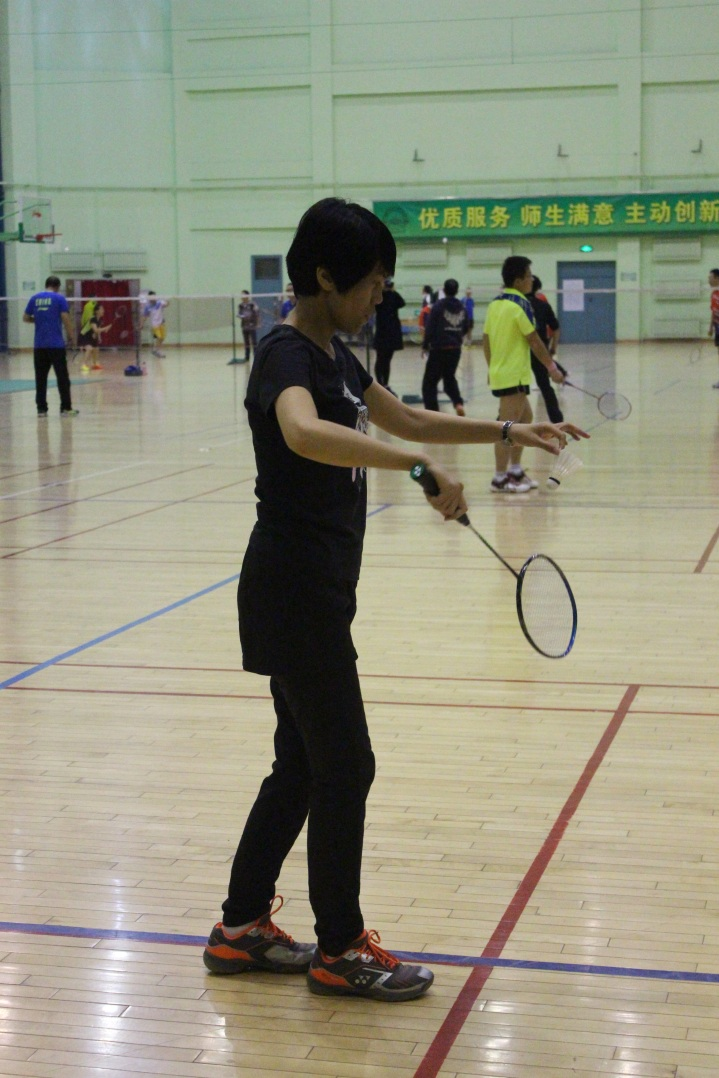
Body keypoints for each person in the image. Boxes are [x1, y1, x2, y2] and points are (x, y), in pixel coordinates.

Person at [201, 198, 587, 1002]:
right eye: (373, 282)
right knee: (345, 764)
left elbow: (406, 415)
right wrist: (413, 469)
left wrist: (507, 433)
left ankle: (240, 928)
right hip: (292, 591)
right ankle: (340, 949)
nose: (382, 296)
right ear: (324, 276)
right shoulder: (284, 354)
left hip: (314, 590)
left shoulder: (336, 357)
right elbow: (303, 432)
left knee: (301, 764)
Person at [483, 256, 564, 493]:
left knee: (525, 419)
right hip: (513, 376)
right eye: (528, 276)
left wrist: (491, 367)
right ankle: (499, 478)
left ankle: (516, 471)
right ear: (518, 281)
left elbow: (486, 340)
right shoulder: (522, 304)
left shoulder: (495, 304)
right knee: (506, 429)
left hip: (504, 374)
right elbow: (534, 340)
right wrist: (552, 368)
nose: (531, 280)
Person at [23, 275, 77, 417]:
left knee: (40, 378)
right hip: (56, 345)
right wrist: (72, 337)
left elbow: (25, 318)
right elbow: (65, 318)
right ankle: (65, 408)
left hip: (39, 345)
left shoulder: (34, 298)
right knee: (62, 378)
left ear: (46, 285)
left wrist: (38, 320)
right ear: (57, 287)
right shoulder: (59, 299)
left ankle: (41, 410)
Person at [421, 277, 468, 415]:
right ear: (457, 291)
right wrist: (457, 337)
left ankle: (433, 414)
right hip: (455, 349)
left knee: (429, 384)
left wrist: (425, 345)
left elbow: (430, 326)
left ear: (444, 290)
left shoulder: (438, 306)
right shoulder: (461, 306)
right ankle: (458, 403)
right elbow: (466, 325)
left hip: (439, 349)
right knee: (449, 378)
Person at [528, 276, 567, 424]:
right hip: (540, 351)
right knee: (545, 387)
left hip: (520, 353)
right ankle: (558, 423)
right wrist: (552, 348)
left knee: (515, 391)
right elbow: (556, 328)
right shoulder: (543, 305)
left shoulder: (515, 306)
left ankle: (504, 424)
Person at [372, 277, 405, 393]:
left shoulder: (384, 296)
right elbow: (402, 302)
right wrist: (391, 291)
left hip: (385, 333)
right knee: (384, 360)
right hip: (388, 333)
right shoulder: (388, 296)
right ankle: (383, 383)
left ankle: (383, 383)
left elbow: (402, 303)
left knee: (383, 360)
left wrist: (386, 291)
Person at [78, 301, 111, 371]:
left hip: (92, 335)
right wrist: (105, 328)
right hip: (84, 335)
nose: (103, 311)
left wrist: (99, 337)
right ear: (96, 311)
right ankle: (84, 365)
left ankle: (95, 364)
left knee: (96, 349)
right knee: (89, 348)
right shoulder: (93, 319)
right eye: (101, 309)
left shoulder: (100, 320)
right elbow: (95, 330)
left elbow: (98, 330)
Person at [143, 291, 169, 357]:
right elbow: (145, 316)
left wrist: (167, 300)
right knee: (159, 337)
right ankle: (158, 351)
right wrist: (141, 324)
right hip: (154, 325)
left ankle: (155, 350)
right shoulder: (147, 307)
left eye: (154, 296)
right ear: (149, 298)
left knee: (162, 338)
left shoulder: (160, 303)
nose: (153, 298)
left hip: (161, 324)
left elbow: (167, 304)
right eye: (152, 297)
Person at [238, 290, 261, 361]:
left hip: (252, 326)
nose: (242, 297)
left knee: (254, 342)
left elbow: (257, 314)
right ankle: (247, 357)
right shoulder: (240, 305)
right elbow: (239, 313)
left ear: (247, 296)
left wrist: (258, 323)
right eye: (241, 295)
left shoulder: (252, 304)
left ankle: (256, 356)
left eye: (243, 295)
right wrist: (240, 316)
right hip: (244, 326)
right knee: (246, 342)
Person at [708, 268, 719, 388]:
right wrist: (711, 327)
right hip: (717, 326)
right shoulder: (714, 294)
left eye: (710, 278)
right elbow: (713, 311)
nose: (709, 280)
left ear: (717, 278)